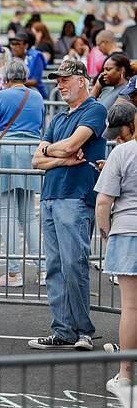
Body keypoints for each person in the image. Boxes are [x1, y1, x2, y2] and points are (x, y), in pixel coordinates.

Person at [29, 60, 107, 351]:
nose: (60, 85)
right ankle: (63, 330)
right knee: (55, 267)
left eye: (65, 79)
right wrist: (59, 155)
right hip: (51, 196)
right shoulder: (60, 118)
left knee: (73, 265)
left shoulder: (95, 110)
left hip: (76, 196)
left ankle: (83, 330)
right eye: (58, 80)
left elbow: (73, 145)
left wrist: (54, 151)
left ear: (82, 80)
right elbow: (37, 160)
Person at [0, 60, 45, 288]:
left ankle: (13, 273)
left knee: (8, 216)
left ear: (7, 77)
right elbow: (40, 124)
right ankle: (42, 270)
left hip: (7, 153)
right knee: (28, 216)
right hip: (31, 153)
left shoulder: (1, 97)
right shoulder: (37, 96)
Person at [94, 103, 137, 396]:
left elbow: (103, 202)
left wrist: (106, 235)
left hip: (128, 230)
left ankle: (125, 374)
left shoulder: (122, 152)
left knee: (131, 308)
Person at [9, 32, 47, 99]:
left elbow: (35, 81)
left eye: (18, 44)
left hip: (36, 95)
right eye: (12, 44)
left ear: (26, 45)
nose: (14, 47)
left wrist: (14, 83)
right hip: (17, 93)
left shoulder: (36, 56)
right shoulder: (10, 58)